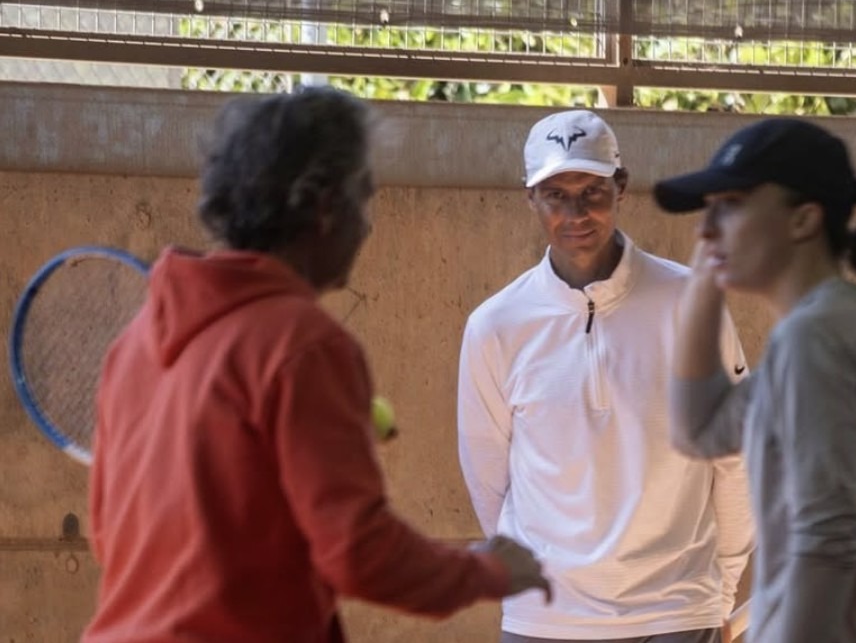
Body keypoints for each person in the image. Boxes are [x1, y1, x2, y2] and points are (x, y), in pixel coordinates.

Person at [84, 87, 550, 643]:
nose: (369, 225)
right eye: (364, 198)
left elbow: (110, 537)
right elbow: (359, 552)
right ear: (324, 206)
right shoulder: (304, 345)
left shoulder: (135, 343)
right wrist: (490, 570)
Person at [458, 109, 754, 643]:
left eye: (592, 191)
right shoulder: (494, 326)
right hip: (544, 621)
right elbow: (489, 477)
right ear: (530, 198)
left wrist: (719, 587)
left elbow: (735, 457)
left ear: (621, 187)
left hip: (676, 613)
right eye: (555, 194)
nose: (576, 212)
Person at [653, 118, 856, 643]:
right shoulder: (846, 324)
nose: (705, 228)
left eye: (731, 203)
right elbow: (699, 429)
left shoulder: (817, 338)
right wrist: (706, 274)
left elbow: (826, 544)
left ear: (803, 220)